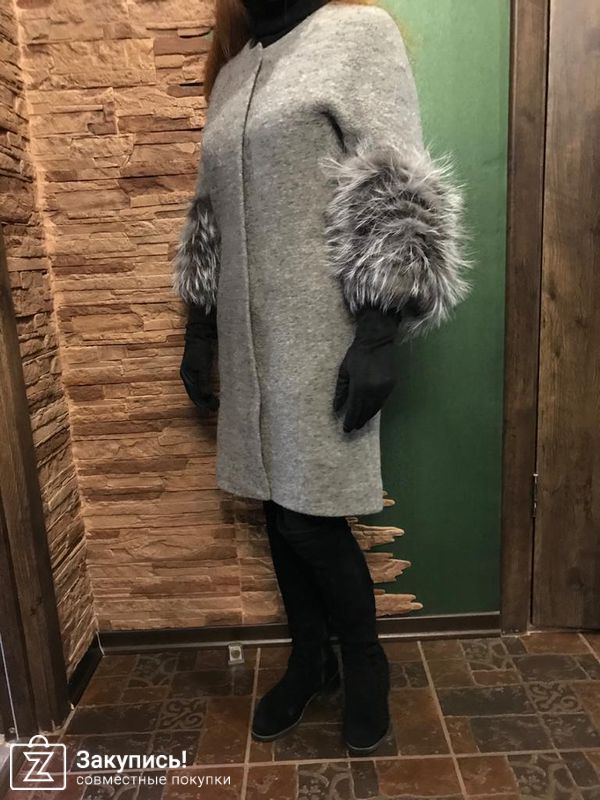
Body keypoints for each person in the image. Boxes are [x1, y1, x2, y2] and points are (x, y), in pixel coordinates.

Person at [174, 0, 469, 755]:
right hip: (248, 340)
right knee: (277, 508)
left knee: (311, 516)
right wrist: (200, 328)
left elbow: (394, 179)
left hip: (322, 335)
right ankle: (311, 661)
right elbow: (208, 211)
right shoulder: (233, 72)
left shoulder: (354, 34)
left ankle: (365, 665)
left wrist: (378, 333)